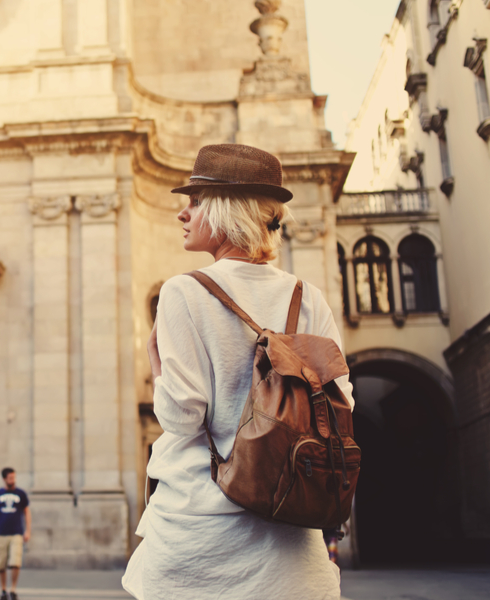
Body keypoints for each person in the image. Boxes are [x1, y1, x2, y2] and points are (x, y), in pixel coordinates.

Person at [122, 144, 355, 600]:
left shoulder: (183, 292)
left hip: (201, 534)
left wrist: (157, 365)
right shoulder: (308, 298)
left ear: (225, 211)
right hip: (291, 537)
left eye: (194, 201)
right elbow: (341, 403)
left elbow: (182, 418)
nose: (182, 213)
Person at [0, 467, 32, 600]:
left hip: (16, 533)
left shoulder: (20, 494)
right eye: (10, 478)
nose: (12, 480)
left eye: (14, 477)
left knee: (16, 562)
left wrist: (28, 530)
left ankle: (13, 589)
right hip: (1, 533)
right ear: (4, 479)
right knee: (0, 564)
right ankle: (3, 590)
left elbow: (27, 512)